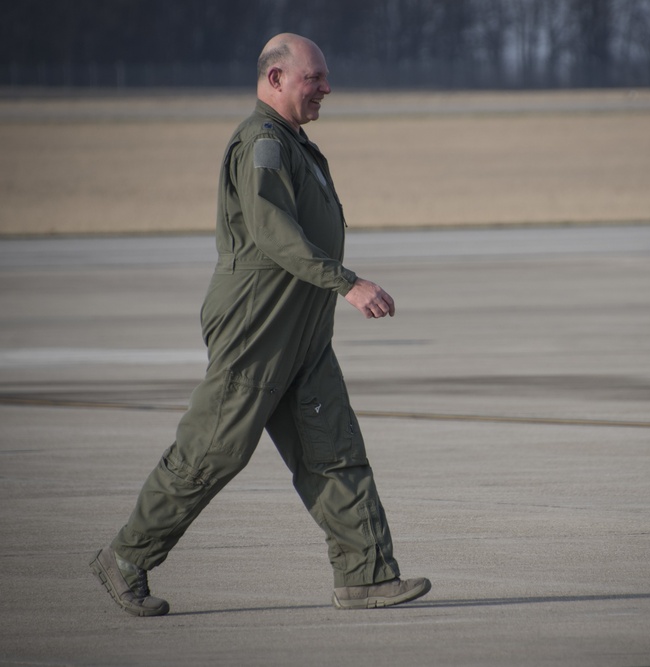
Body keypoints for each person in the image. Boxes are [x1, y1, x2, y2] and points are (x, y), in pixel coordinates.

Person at [90, 33, 431, 616]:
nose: (327, 88)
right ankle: (126, 558)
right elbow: (274, 232)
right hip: (258, 325)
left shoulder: (295, 143)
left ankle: (367, 576)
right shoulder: (261, 143)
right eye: (314, 78)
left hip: (302, 331)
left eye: (325, 78)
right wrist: (348, 283)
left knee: (334, 449)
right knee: (213, 452)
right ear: (275, 80)